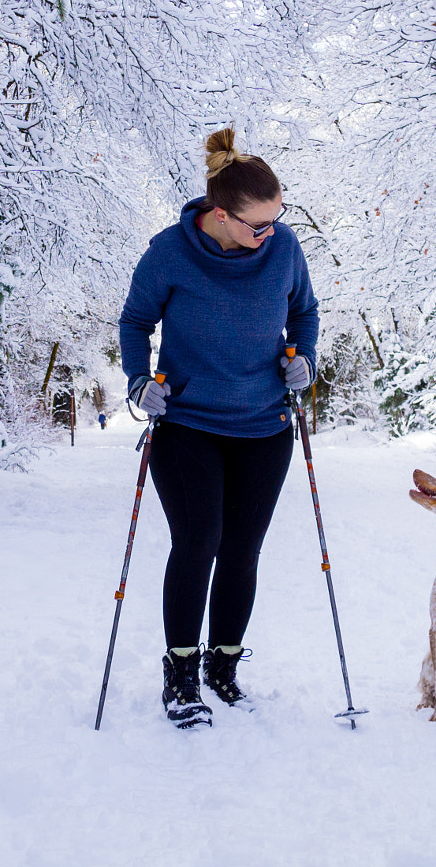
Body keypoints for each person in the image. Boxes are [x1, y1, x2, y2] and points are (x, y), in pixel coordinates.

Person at [118, 127, 318, 728]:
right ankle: (179, 675)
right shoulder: (169, 252)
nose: (270, 233)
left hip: (264, 424)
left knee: (241, 551)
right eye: (258, 224)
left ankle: (223, 668)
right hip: (187, 424)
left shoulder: (282, 249)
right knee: (198, 541)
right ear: (221, 215)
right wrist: (138, 383)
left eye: (277, 219)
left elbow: (303, 312)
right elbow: (134, 322)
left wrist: (302, 359)